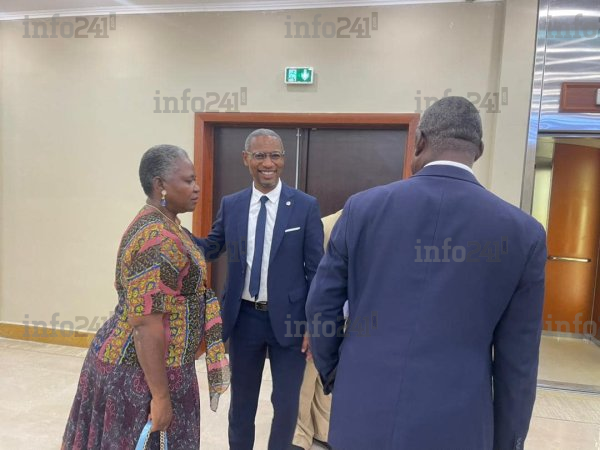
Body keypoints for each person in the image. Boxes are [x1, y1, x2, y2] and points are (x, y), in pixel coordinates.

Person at [306, 97, 547, 450]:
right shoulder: (524, 233)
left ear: (419, 141)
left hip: (362, 412)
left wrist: (337, 376)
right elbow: (519, 361)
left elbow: (321, 308)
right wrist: (509, 440)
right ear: (478, 151)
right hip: (458, 426)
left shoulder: (362, 209)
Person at [62, 145, 229, 450]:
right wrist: (161, 397)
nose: (196, 187)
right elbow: (145, 325)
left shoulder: (165, 224)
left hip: (161, 366)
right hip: (139, 375)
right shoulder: (158, 240)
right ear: (160, 185)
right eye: (188, 180)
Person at [194, 129, 324, 450]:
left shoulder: (304, 206)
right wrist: (174, 231)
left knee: (286, 406)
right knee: (242, 405)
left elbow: (317, 271)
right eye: (260, 156)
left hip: (291, 322)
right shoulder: (233, 205)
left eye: (275, 155)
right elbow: (211, 247)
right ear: (246, 159)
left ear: (283, 159)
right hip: (244, 320)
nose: (268, 163)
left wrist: (315, 324)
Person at [292, 209, 342, 450]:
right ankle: (299, 432)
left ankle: (323, 427)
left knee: (328, 369)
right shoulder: (326, 227)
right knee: (307, 368)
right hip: (316, 307)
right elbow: (311, 277)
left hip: (344, 310)